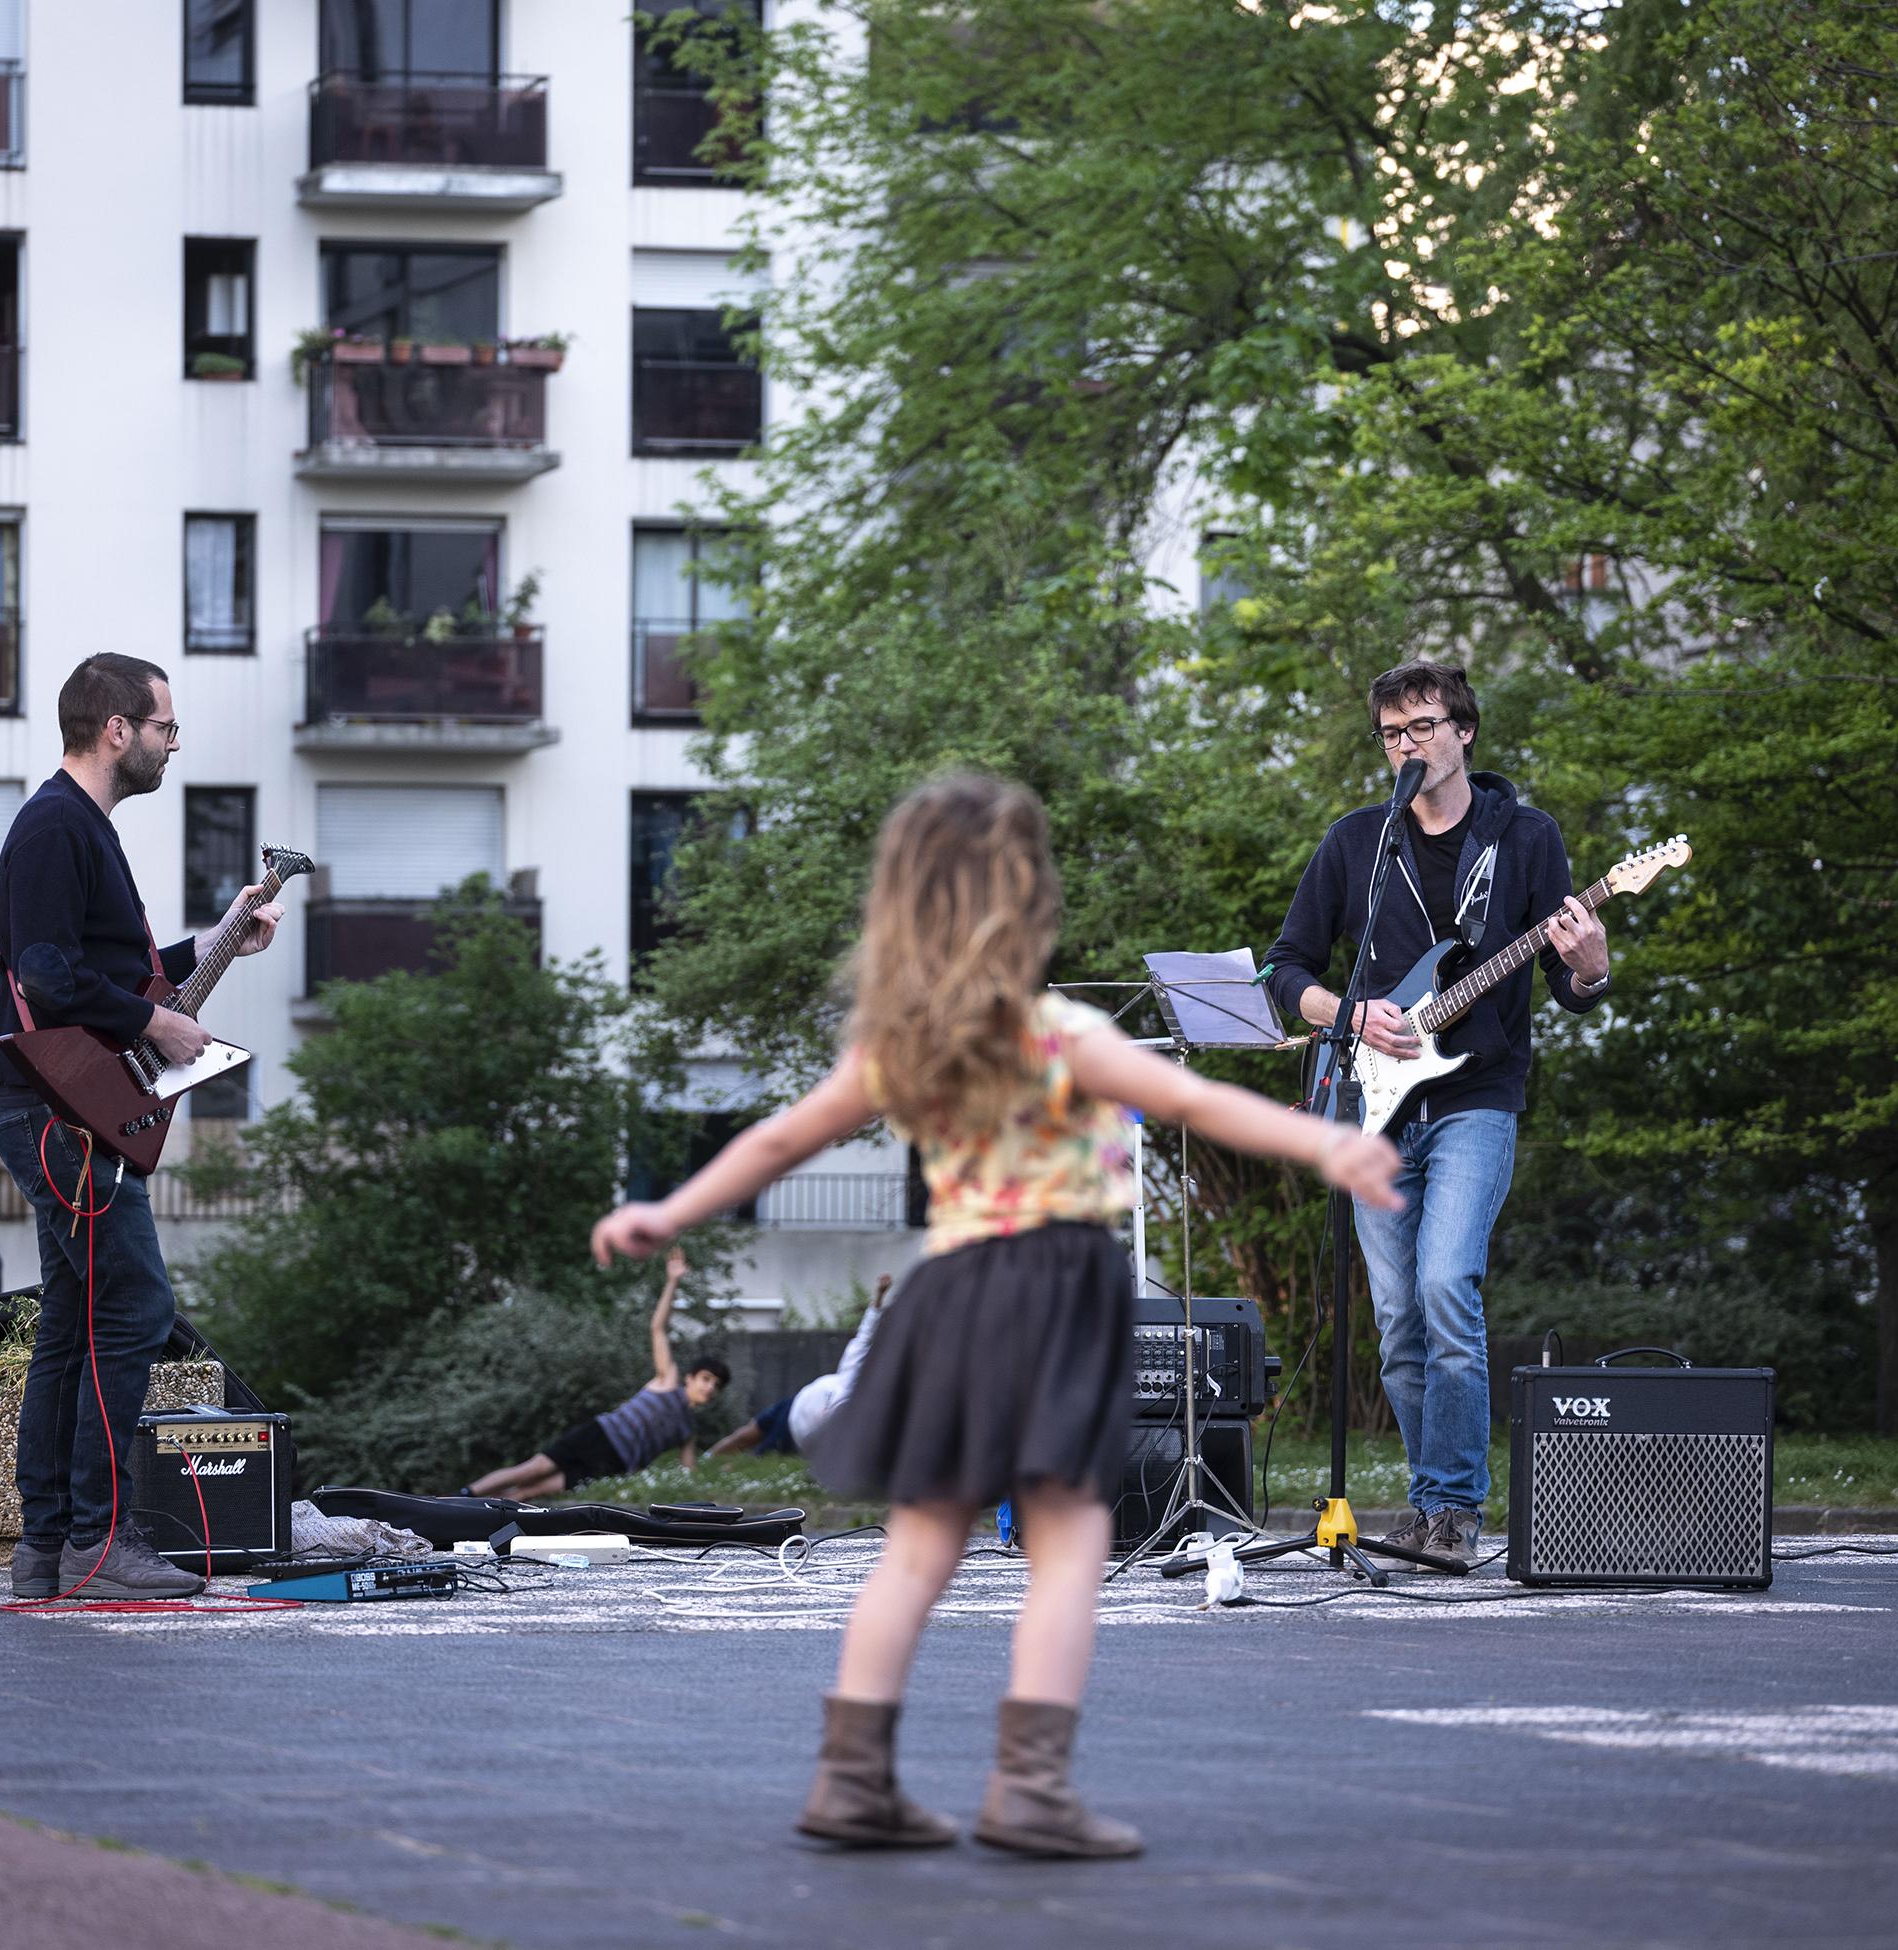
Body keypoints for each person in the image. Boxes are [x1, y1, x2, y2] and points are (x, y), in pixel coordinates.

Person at [592, 775, 1401, 1860]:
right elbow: (1203, 1103)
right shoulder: (1060, 1032)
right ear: (1024, 900)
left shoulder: (902, 1041)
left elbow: (776, 1141)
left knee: (919, 1546)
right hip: (1055, 1296)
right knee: (1065, 1545)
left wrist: (666, 1209)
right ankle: (1028, 1790)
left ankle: (851, 1780)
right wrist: (1328, 1144)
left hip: (951, 1294)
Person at [1265, 659, 1610, 1567]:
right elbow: (1285, 969)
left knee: (1446, 1287)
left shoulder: (1527, 839)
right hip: (1369, 1106)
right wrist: (1349, 1013)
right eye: (1391, 734)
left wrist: (1591, 962)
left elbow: (1571, 987)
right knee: (1398, 1320)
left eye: (1422, 727)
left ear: (1464, 732)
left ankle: (1457, 1508)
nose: (1406, 747)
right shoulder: (1358, 843)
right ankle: (1428, 1509)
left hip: (1475, 1099)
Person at [0, 654, 282, 1603]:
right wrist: (157, 1023)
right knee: (136, 1311)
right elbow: (46, 978)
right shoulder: (52, 828)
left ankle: (48, 1547)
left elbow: (117, 966)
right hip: (61, 1119)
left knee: (74, 1324)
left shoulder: (80, 829)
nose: (173, 741)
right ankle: (98, 1543)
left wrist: (220, 936)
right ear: (117, 729)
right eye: (164, 726)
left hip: (67, 1116)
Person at [461, 1250, 732, 1501]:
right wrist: (673, 1282)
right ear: (690, 1377)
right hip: (600, 1435)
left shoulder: (687, 1431)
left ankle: (481, 1518)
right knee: (532, 1470)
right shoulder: (668, 1380)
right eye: (706, 1379)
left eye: (716, 1385)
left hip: (613, 1464)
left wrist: (721, 1487)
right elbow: (658, 1329)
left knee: (533, 1491)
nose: (709, 1387)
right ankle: (462, 1497)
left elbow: (690, 1472)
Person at [706, 1273, 894, 1463]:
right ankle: (705, 1460)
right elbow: (865, 1334)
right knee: (744, 1435)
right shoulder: (854, 1369)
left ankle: (727, 1473)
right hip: (794, 1404)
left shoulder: (864, 1404)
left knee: (757, 1458)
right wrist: (879, 1295)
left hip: (794, 1431)